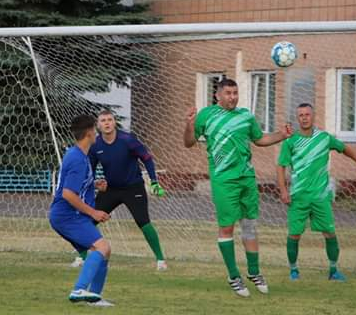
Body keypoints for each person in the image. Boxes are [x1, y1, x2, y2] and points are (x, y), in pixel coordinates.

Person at [184, 78, 291, 297]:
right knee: (227, 227)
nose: (233, 97)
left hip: (247, 178)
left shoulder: (246, 116)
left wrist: (281, 135)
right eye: (228, 93)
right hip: (224, 179)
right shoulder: (206, 115)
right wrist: (189, 124)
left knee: (250, 225)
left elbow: (259, 139)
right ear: (218, 95)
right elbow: (188, 142)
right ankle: (233, 276)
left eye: (235, 92)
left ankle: (254, 272)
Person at [277, 103, 356, 281]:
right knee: (294, 234)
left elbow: (343, 148)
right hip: (298, 195)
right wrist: (283, 190)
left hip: (321, 195)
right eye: (301, 115)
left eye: (307, 114)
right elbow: (281, 166)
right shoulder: (290, 141)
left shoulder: (324, 138)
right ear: (297, 118)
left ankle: (333, 271)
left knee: (330, 233)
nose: (304, 117)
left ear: (313, 116)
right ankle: (293, 271)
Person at [73, 110, 167, 271]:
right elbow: (90, 169)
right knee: (89, 220)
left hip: (133, 188)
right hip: (111, 189)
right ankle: (81, 257)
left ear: (114, 122)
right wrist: (96, 183)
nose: (107, 123)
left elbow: (147, 158)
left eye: (110, 119)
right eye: (103, 120)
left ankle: (160, 260)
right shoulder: (96, 146)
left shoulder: (128, 140)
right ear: (98, 125)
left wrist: (154, 182)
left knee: (143, 222)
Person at [49, 114, 113, 307]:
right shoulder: (77, 159)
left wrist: (93, 185)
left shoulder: (77, 154)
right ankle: (79, 289)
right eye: (95, 129)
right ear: (89, 133)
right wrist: (93, 213)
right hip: (68, 216)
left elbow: (73, 186)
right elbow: (68, 194)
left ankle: (94, 297)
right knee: (103, 247)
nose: (97, 132)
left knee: (102, 251)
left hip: (67, 215)